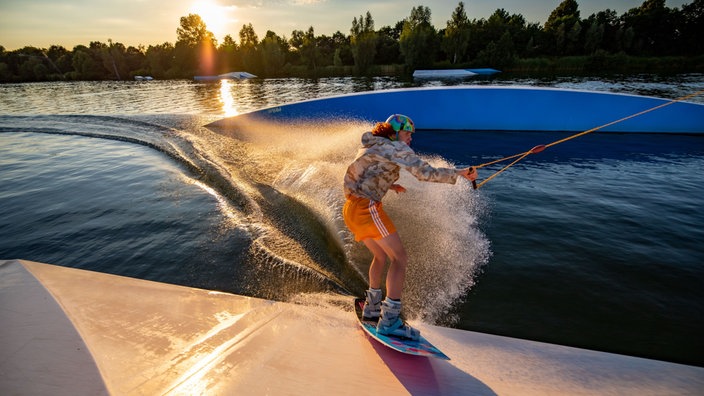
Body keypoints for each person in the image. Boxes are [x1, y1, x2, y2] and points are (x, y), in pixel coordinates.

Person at [343, 114, 477, 340]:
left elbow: (360, 173)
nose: (410, 139)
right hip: (368, 209)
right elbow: (427, 174)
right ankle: (389, 322)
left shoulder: (372, 145)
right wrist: (461, 174)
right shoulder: (397, 148)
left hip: (351, 209)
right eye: (407, 134)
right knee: (400, 258)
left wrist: (389, 184)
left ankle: (372, 309)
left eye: (411, 135)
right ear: (394, 133)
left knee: (380, 256)